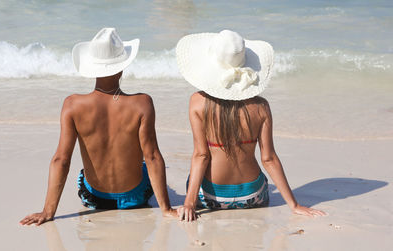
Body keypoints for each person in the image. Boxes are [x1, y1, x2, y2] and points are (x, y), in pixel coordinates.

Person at [20, 28, 176, 226]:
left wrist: (48, 211)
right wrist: (167, 209)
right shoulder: (142, 103)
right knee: (145, 165)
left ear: (92, 68)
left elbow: (61, 160)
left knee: (83, 172)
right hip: (136, 198)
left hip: (95, 199)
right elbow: (152, 156)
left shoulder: (72, 105)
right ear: (121, 68)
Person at [175, 30, 326, 221]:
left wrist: (189, 203)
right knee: (262, 180)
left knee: (193, 178)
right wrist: (294, 205)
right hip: (253, 197)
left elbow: (201, 155)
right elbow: (269, 159)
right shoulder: (261, 107)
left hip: (210, 198)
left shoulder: (197, 102)